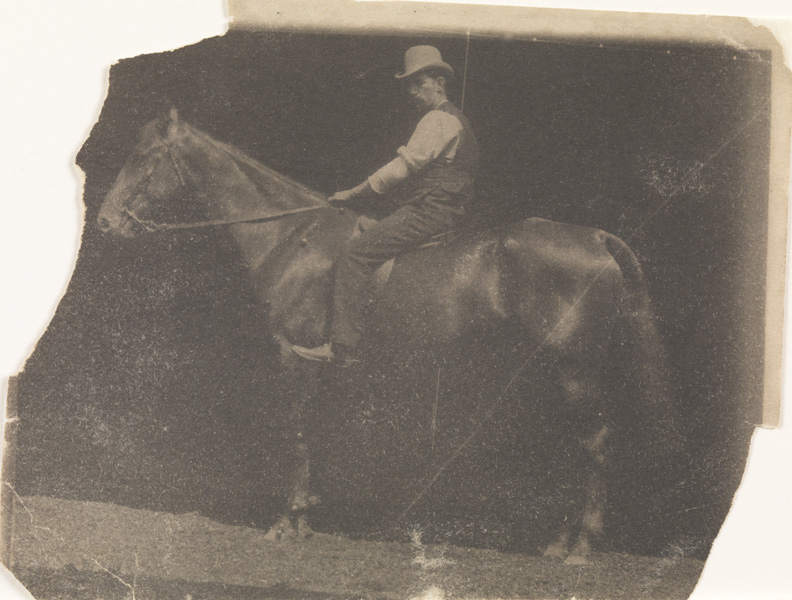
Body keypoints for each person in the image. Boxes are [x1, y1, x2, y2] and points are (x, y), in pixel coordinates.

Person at [292, 45, 479, 364]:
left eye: (418, 83)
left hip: (430, 213)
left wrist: (351, 193)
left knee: (354, 254)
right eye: (409, 84)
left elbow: (399, 170)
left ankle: (342, 348)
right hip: (442, 210)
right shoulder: (455, 121)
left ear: (439, 83)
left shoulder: (438, 119)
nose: (412, 91)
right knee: (365, 226)